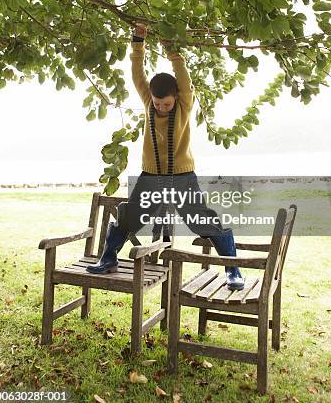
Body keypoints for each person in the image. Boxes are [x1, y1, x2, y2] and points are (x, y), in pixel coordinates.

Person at [86, 24, 245, 290]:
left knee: (202, 221)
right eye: (158, 104)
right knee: (129, 217)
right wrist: (139, 41)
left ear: (176, 99)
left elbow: (182, 76)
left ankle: (233, 269)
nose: (161, 108)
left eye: (166, 104)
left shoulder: (184, 103)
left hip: (182, 177)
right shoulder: (149, 102)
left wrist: (170, 48)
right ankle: (108, 258)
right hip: (151, 177)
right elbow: (138, 73)